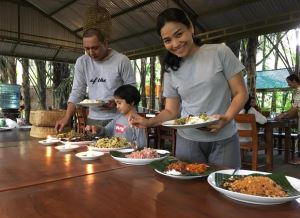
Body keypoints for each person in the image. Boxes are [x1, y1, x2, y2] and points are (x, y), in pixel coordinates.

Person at [129, 8, 248, 168]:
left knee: (224, 187)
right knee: (188, 191)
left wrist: (225, 119)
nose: (175, 44)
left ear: (191, 28)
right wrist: (148, 122)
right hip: (188, 140)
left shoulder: (220, 52)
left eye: (179, 34)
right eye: (167, 40)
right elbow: (171, 111)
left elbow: (240, 92)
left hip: (224, 138)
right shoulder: (170, 68)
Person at [55, 28, 136, 132]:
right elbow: (77, 92)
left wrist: (116, 102)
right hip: (93, 120)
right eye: (87, 48)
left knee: (117, 147)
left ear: (105, 43)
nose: (91, 52)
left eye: (95, 48)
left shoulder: (121, 60)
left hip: (119, 118)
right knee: (93, 147)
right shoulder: (82, 62)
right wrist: (67, 117)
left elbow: (132, 89)